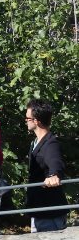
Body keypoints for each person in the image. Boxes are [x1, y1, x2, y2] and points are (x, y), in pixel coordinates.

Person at [25, 99, 68, 232]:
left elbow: (55, 162)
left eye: (27, 118)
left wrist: (54, 175)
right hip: (39, 209)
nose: (25, 120)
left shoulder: (50, 143)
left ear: (36, 121)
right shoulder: (36, 142)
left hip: (49, 212)